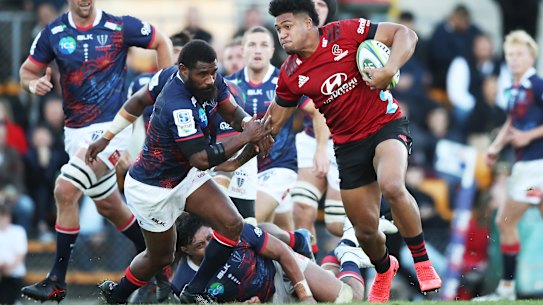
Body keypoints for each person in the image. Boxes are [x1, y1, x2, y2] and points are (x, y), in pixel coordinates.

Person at [264, 0, 441, 302]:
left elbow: (405, 34)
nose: (282, 34)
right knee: (366, 232)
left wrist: (390, 69)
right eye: (279, 28)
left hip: (386, 125)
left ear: (309, 23)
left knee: (393, 184)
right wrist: (242, 141)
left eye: (287, 26)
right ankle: (385, 269)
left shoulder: (345, 32)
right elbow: (273, 123)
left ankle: (423, 263)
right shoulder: (291, 72)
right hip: (347, 147)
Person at [94, 39, 271, 304]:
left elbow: (232, 111)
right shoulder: (176, 103)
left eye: (213, 72)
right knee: (161, 257)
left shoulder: (207, 78)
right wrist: (248, 136)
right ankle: (117, 295)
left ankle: (194, 291)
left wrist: (249, 124)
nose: (210, 79)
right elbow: (200, 158)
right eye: (203, 74)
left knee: (232, 224)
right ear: (183, 70)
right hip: (152, 189)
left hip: (185, 176)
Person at [18, 0, 174, 301]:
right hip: (75, 133)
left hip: (113, 130)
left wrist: (167, 95)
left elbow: (161, 41)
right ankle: (159, 263)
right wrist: (32, 85)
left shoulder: (119, 26)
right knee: (110, 207)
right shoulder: (53, 32)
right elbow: (27, 72)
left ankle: (56, 281)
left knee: (65, 190)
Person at [473, 30, 543, 301]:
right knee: (507, 223)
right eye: (510, 55)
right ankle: (506, 289)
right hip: (525, 165)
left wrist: (530, 135)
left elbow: (523, 129)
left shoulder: (536, 85)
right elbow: (512, 123)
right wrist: (494, 147)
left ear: (531, 56)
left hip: (535, 166)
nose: (514, 59)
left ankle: (506, 290)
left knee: (505, 222)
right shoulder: (514, 88)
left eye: (519, 54)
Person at [171, 213, 364, 303]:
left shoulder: (233, 232)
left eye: (210, 238)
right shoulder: (184, 284)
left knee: (349, 299)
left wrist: (306, 295)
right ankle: (331, 262)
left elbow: (281, 252)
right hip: (267, 299)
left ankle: (348, 253)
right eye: (199, 246)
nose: (210, 246)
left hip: (282, 270)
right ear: (185, 250)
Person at [291, 0, 346, 253]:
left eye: (321, 3)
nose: (315, 7)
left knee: (337, 224)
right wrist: (321, 148)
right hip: (314, 137)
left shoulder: (345, 42)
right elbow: (314, 106)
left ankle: (355, 267)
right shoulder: (296, 50)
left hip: (347, 141)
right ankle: (310, 275)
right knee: (301, 207)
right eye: (311, 3)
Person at [0, 204, 27, 305]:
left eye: (3, 217)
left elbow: (20, 256)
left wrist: (7, 268)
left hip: (13, 274)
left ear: (8, 217)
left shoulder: (18, 231)